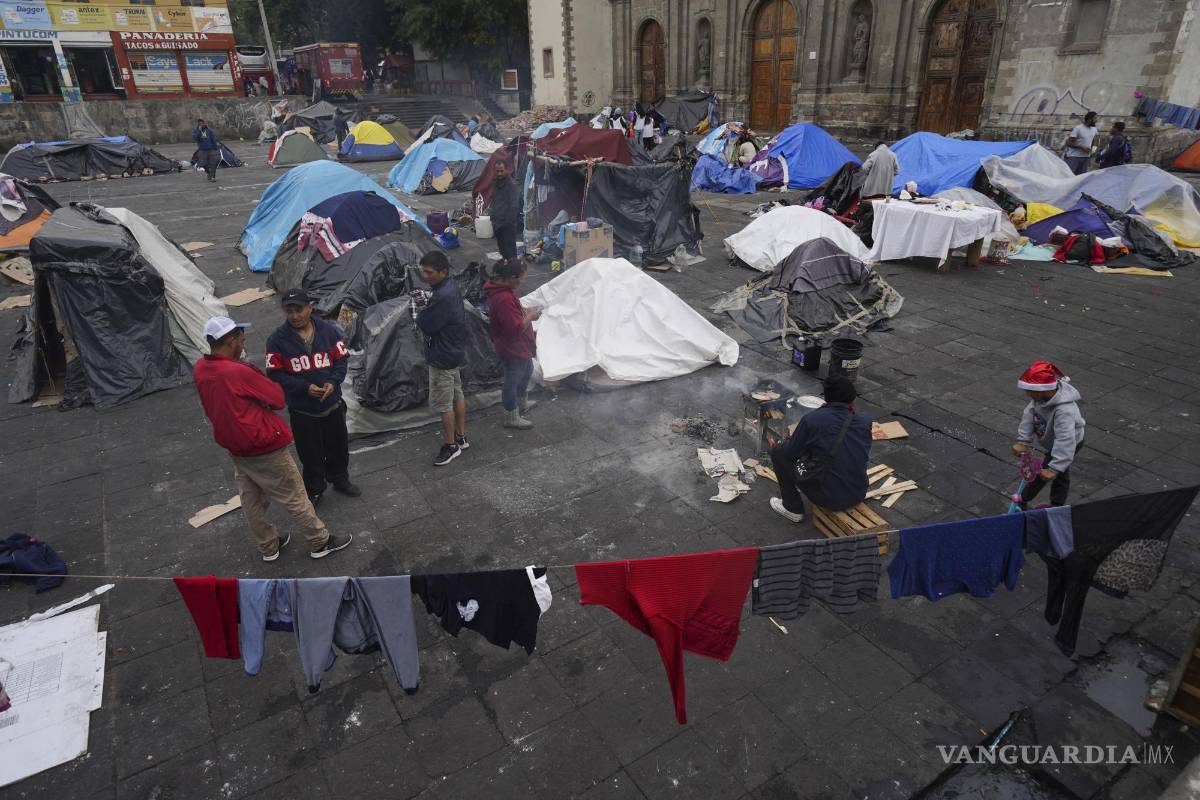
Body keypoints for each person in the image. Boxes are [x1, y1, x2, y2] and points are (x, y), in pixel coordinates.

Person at [193, 315, 353, 562]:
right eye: (241, 339)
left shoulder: (202, 368)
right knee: (295, 495)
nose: (244, 343)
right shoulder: (237, 371)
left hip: (235, 445)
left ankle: (268, 545)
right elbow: (277, 399)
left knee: (252, 498)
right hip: (262, 444)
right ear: (232, 340)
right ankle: (319, 541)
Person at [265, 289, 361, 507]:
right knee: (309, 452)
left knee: (338, 446)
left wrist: (333, 382)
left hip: (332, 404)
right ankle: (315, 488)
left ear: (310, 308)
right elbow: (276, 374)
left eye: (299, 310)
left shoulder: (330, 332)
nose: (295, 316)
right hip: (302, 409)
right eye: (289, 311)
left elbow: (341, 361)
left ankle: (340, 479)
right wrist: (304, 387)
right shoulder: (277, 340)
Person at [768, 376, 872, 523]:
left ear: (827, 398)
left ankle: (792, 508)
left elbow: (790, 452)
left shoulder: (813, 420)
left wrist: (785, 443)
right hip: (858, 491)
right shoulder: (865, 420)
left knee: (778, 452)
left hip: (827, 497)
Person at [417, 251, 468, 465]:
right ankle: (461, 437)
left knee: (443, 402)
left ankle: (450, 445)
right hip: (454, 351)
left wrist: (420, 312)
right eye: (424, 272)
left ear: (443, 271)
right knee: (457, 394)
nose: (425, 276)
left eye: (429, 273)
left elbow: (426, 324)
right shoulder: (450, 287)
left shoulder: (442, 297)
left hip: (442, 355)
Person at [1012, 361, 1085, 507]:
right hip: (1053, 440)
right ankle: (1057, 504)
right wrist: (1023, 441)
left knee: (1045, 471)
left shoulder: (1064, 411)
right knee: (1062, 474)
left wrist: (1055, 467)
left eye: (1029, 390)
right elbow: (1029, 415)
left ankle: (1024, 498)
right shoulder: (1039, 399)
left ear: (1042, 389)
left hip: (1070, 442)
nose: (1027, 394)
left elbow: (1065, 439)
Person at [484, 258, 540, 430]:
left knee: (527, 370)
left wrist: (523, 311)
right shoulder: (504, 298)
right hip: (512, 347)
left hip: (517, 345)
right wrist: (530, 316)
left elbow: (510, 316)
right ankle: (511, 416)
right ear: (513, 277)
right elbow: (514, 329)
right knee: (512, 379)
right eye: (522, 278)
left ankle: (522, 403)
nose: (523, 281)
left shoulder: (502, 291)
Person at [490, 160, 522, 260]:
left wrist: (507, 223)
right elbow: (494, 199)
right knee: (502, 250)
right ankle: (506, 268)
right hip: (497, 222)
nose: (499, 173)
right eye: (497, 171)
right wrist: (493, 217)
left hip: (507, 224)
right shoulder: (495, 182)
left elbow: (514, 206)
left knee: (510, 251)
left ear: (506, 170)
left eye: (501, 171)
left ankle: (513, 271)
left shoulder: (512, 185)